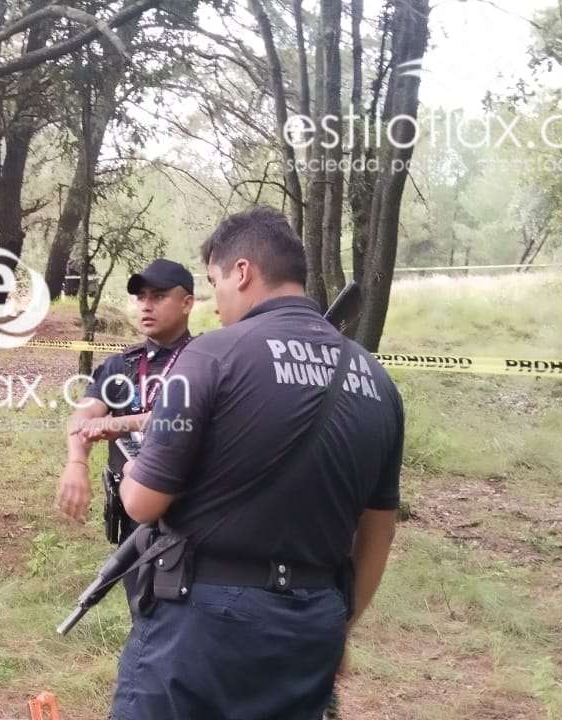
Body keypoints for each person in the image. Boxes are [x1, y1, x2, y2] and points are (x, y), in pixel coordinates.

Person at [110, 207, 403, 720]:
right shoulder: (378, 381)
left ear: (242, 272)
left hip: (199, 629)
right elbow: (379, 530)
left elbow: (142, 503)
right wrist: (341, 626)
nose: (217, 303)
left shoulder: (208, 357)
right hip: (312, 625)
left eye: (215, 283)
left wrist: (133, 468)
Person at [57, 259, 195, 547]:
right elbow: (83, 417)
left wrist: (121, 423)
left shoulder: (206, 361)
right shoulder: (120, 365)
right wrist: (77, 462)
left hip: (192, 515)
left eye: (158, 296)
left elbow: (188, 419)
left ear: (187, 303)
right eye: (141, 297)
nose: (146, 306)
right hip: (133, 519)